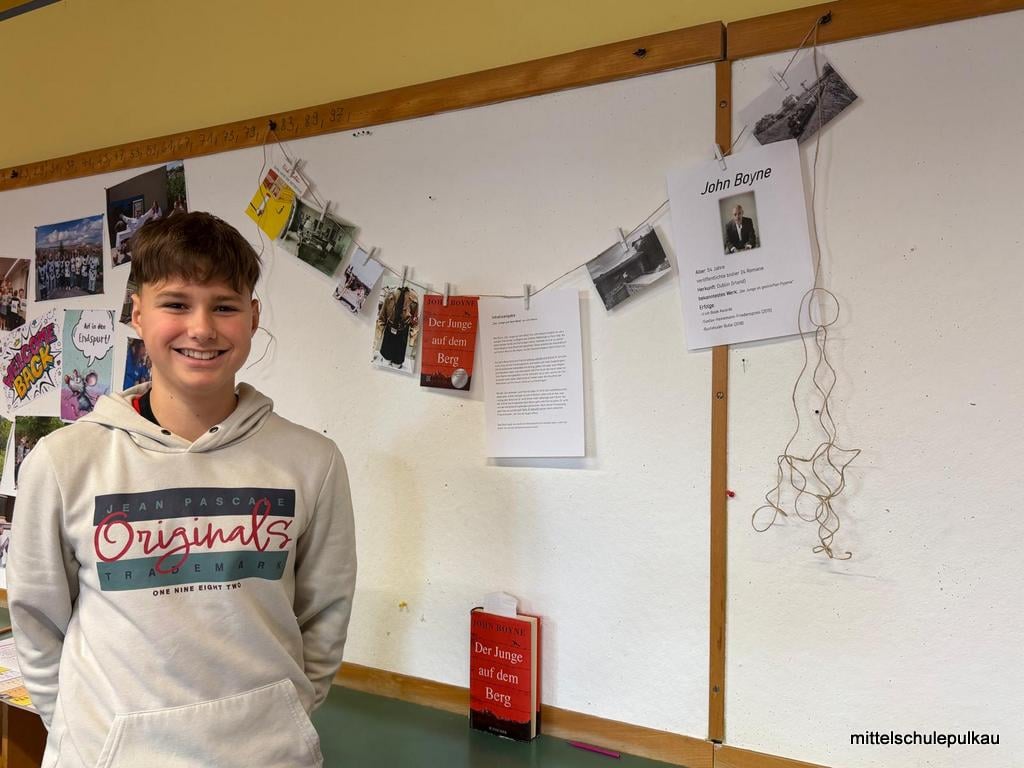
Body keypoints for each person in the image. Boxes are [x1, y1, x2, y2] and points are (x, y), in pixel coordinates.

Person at [8, 211, 356, 768]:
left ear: (253, 317)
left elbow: (325, 616)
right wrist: (94, 741)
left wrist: (283, 715)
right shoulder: (62, 462)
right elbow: (38, 625)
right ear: (137, 314)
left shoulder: (314, 461)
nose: (202, 328)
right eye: (175, 303)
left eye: (224, 306)